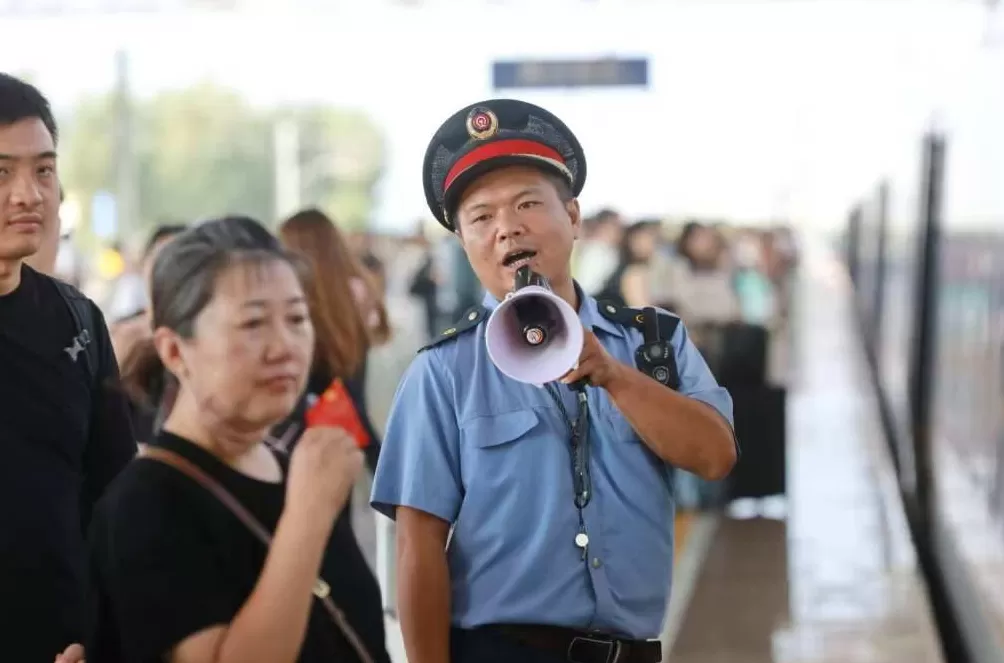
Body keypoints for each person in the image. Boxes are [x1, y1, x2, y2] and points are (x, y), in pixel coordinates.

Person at [370, 99, 738, 663]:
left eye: (527, 204)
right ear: (464, 244)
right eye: (481, 217)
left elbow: (714, 456)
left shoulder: (656, 344)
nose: (507, 228)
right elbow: (418, 546)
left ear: (573, 217)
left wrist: (614, 376)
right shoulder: (441, 372)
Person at [80, 216, 391, 663]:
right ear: (173, 351)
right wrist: (307, 515)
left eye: (297, 319)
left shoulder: (293, 469)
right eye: (253, 324)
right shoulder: (147, 503)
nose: (284, 346)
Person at [0, 72, 137, 663]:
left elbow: (115, 500)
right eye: (1, 173)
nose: (28, 194)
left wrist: (99, 630)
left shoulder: (76, 322)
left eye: (43, 170)